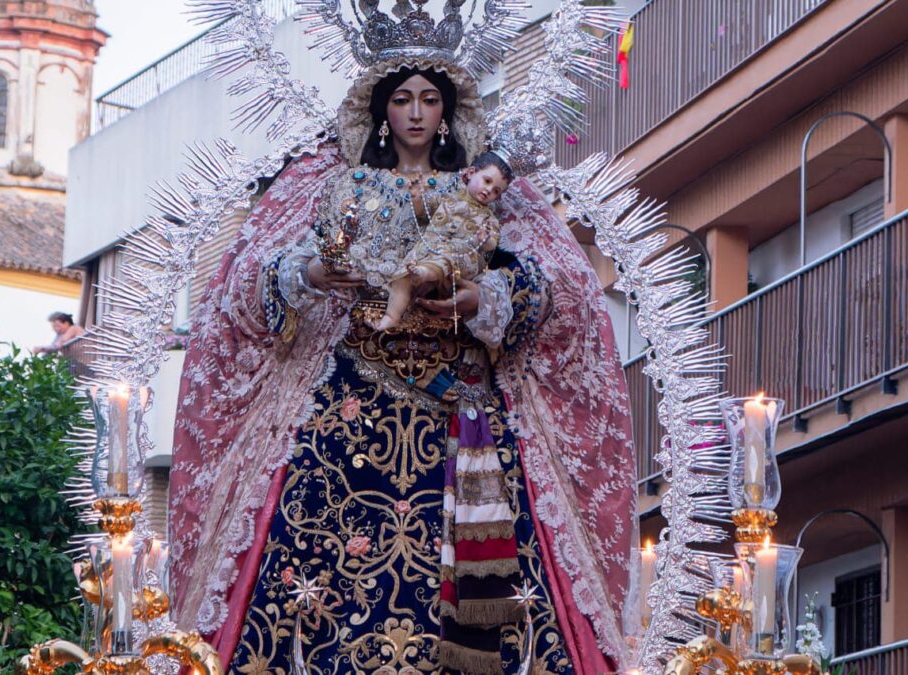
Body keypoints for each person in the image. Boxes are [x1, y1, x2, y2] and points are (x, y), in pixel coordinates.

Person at [168, 60, 637, 675]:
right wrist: (309, 274)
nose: (416, 113)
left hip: (464, 412)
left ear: (448, 113)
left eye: (429, 100)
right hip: (348, 410)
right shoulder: (341, 185)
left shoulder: (482, 193)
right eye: (403, 101)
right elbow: (248, 286)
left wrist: (484, 297)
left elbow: (561, 291)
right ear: (380, 111)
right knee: (317, 579)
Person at [369, 151, 511, 332]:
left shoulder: (487, 218)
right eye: (487, 181)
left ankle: (424, 273)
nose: (489, 190)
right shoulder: (447, 198)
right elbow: (423, 212)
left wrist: (483, 239)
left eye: (496, 191)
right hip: (427, 250)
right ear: (470, 173)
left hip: (459, 260)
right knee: (402, 276)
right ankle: (391, 316)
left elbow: (492, 244)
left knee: (444, 257)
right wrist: (417, 197)